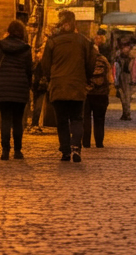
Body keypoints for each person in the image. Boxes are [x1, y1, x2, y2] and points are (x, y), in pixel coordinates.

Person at [37, 9, 96, 162]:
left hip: (58, 86)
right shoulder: (84, 41)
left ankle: (65, 150)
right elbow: (91, 63)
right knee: (77, 118)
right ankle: (76, 147)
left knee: (62, 120)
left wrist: (51, 78)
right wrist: (86, 78)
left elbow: (45, 65)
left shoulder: (52, 42)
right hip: (77, 85)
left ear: (60, 24)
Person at [0, 19, 35, 160]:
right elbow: (29, 70)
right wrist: (29, 86)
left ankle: (5, 151)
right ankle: (18, 151)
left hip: (3, 87)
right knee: (18, 121)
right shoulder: (26, 49)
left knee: (5, 119)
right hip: (20, 88)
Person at [82, 43, 112, 149]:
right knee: (99, 119)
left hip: (87, 93)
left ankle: (86, 142)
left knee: (86, 119)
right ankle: (99, 143)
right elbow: (110, 78)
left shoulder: (84, 61)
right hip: (101, 94)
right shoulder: (104, 60)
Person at [113, 35, 135, 120]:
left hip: (127, 77)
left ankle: (127, 113)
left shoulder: (130, 56)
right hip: (122, 76)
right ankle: (125, 112)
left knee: (126, 96)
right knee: (123, 96)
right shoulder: (119, 56)